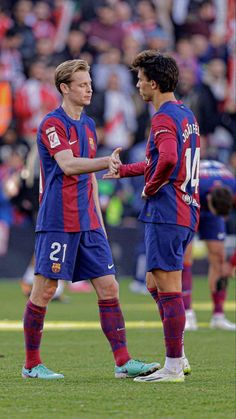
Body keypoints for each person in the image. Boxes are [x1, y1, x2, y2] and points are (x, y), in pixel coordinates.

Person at [21, 58, 160, 380]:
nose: (89, 89)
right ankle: (31, 365)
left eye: (90, 84)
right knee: (44, 290)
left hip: (89, 222)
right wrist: (105, 162)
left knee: (110, 287)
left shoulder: (88, 125)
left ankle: (123, 362)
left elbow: (91, 180)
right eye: (82, 84)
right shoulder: (52, 124)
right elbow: (69, 166)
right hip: (58, 219)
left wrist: (99, 222)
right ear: (64, 88)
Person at [103, 50, 200, 382]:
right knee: (153, 282)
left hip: (167, 210)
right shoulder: (185, 114)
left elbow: (168, 161)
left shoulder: (161, 117)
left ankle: (173, 366)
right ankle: (179, 356)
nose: (138, 84)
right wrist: (125, 171)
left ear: (154, 83)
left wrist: (151, 187)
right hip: (186, 208)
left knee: (168, 286)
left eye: (141, 78)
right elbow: (163, 158)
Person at [183, 159, 236, 331]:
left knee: (219, 257)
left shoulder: (233, 187)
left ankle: (218, 316)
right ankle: (187, 314)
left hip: (212, 201)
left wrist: (232, 263)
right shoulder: (195, 184)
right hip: (190, 204)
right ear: (209, 199)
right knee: (185, 258)